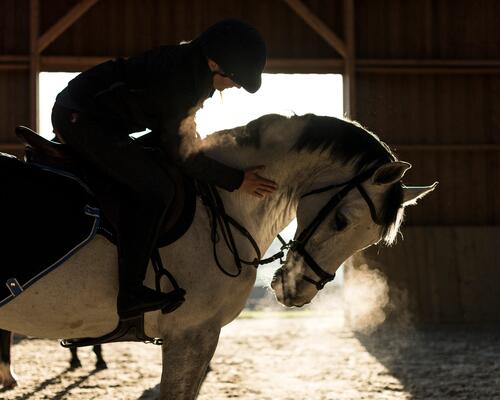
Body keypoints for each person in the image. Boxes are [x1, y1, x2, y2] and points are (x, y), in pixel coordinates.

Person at [51, 19, 278, 319]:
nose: (235, 86)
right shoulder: (182, 80)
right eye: (234, 78)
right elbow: (182, 153)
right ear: (213, 63)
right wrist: (237, 180)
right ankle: (130, 292)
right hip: (81, 117)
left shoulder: (192, 71)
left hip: (102, 119)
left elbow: (181, 136)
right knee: (157, 189)